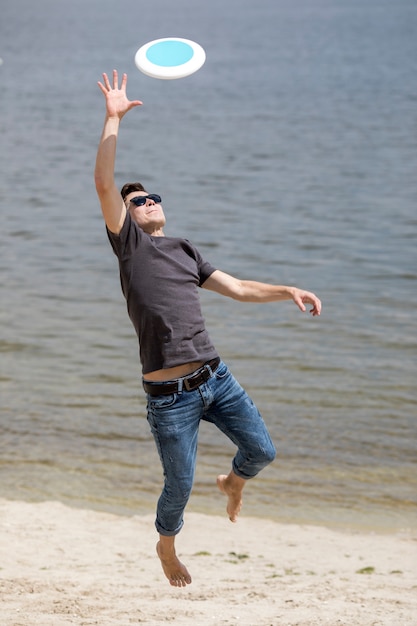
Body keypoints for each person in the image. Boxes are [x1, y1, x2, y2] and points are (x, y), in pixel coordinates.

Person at [94, 70, 322, 588]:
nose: (148, 201)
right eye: (138, 201)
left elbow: (238, 287)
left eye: (153, 197)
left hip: (216, 379)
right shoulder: (130, 246)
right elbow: (104, 183)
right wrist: (112, 118)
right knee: (179, 484)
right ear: (126, 217)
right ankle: (166, 545)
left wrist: (287, 289)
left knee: (262, 451)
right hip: (169, 396)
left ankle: (233, 482)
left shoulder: (184, 249)